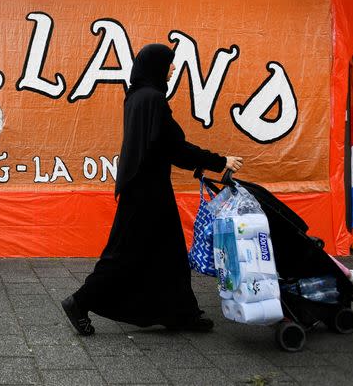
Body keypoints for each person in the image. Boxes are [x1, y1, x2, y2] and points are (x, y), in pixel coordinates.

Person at [62, 43, 243, 335]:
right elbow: (173, 146)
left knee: (169, 254)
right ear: (157, 67)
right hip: (147, 194)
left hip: (143, 188)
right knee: (123, 256)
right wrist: (220, 161)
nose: (173, 69)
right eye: (169, 64)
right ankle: (79, 301)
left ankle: (183, 313)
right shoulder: (154, 99)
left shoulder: (136, 97)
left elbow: (160, 146)